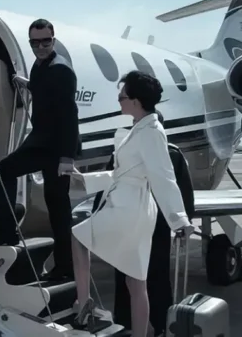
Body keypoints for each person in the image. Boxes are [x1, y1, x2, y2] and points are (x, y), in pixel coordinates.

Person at [69, 71, 194, 337]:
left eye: (122, 97)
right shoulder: (141, 128)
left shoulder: (150, 131)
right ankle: (143, 332)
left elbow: (163, 176)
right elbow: (123, 172)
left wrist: (180, 219)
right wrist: (85, 180)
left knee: (79, 239)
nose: (119, 101)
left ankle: (83, 303)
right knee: (135, 281)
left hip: (130, 208)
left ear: (136, 101)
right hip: (133, 206)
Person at [0, 18, 81, 283]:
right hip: (41, 143)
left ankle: (66, 267)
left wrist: (67, 159)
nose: (40, 46)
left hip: (56, 149)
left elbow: (69, 116)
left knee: (58, 208)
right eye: (35, 42)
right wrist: (24, 82)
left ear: (54, 40)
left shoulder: (62, 70)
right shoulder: (40, 65)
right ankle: (7, 234)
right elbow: (43, 88)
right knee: (4, 170)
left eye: (46, 41)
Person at [108, 111, 196, 336]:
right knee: (140, 277)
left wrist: (181, 221)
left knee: (147, 276)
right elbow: (110, 184)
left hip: (150, 225)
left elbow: (181, 192)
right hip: (140, 224)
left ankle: (143, 324)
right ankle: (140, 324)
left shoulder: (169, 154)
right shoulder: (165, 153)